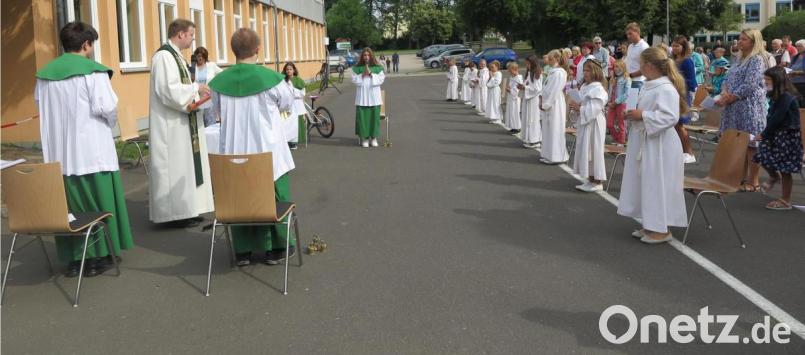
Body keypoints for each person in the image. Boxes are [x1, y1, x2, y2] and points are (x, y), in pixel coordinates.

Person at [34, 21, 133, 277]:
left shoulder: (45, 75)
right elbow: (108, 108)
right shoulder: (93, 72)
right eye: (92, 45)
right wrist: (110, 124)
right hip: (92, 152)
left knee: (70, 209)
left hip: (60, 155)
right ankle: (97, 258)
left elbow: (41, 106)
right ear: (86, 44)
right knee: (98, 204)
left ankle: (75, 259)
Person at [209, 28, 296, 265]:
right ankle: (276, 248)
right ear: (258, 49)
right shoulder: (271, 80)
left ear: (233, 50)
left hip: (234, 154)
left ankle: (243, 251)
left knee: (240, 197)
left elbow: (214, 111)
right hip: (268, 153)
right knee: (276, 196)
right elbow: (287, 102)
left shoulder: (218, 82)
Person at [618, 47, 688, 244]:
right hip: (646, 140)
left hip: (660, 145)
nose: (639, 68)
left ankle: (661, 229)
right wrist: (633, 114)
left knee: (657, 184)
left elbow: (670, 117)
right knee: (647, 183)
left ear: (649, 66)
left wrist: (643, 115)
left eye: (640, 64)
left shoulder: (665, 88)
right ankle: (650, 223)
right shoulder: (649, 85)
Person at [148, 19, 213, 225]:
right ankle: (174, 214)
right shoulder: (164, 57)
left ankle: (188, 209)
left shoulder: (177, 56)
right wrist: (196, 89)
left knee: (186, 166)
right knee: (174, 167)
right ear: (181, 34)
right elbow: (168, 90)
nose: (193, 40)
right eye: (192, 35)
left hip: (183, 122)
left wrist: (197, 93)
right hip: (171, 125)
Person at [716, 29, 768, 192]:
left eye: (744, 39)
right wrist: (724, 92)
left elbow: (751, 84)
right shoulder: (738, 58)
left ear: (753, 42)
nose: (739, 41)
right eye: (740, 38)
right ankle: (740, 177)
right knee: (739, 144)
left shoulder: (756, 59)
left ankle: (753, 181)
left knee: (751, 144)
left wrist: (731, 97)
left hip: (749, 107)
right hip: (734, 107)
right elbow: (727, 78)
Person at [752, 66, 803, 210]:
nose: (765, 82)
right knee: (761, 156)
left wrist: (764, 133)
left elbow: (778, 117)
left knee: (785, 168)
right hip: (776, 134)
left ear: (778, 80)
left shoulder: (787, 96)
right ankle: (774, 176)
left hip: (787, 136)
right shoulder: (776, 95)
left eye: (768, 79)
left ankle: (785, 200)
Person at [569, 60, 609, 192]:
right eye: (584, 70)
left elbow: (593, 109)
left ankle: (598, 181)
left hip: (594, 123)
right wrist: (575, 108)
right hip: (586, 122)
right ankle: (590, 179)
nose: (585, 73)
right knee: (587, 150)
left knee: (594, 149)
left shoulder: (598, 89)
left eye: (588, 70)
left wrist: (579, 107)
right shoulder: (586, 87)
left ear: (595, 72)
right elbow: (584, 105)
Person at [671, 36, 698, 164]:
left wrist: (677, 81)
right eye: (673, 45)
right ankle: (681, 151)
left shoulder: (687, 61)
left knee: (680, 125)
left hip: (682, 96)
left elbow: (692, 83)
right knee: (674, 125)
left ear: (683, 47)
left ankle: (689, 152)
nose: (675, 48)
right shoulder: (673, 60)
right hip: (672, 95)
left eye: (678, 46)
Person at [351, 48, 385, 148]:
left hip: (374, 98)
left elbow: (381, 80)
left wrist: (370, 74)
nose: (366, 57)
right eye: (365, 55)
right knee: (363, 119)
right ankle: (364, 138)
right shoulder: (357, 68)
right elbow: (354, 80)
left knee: (374, 119)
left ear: (371, 56)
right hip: (362, 98)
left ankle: (373, 138)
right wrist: (362, 74)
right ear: (362, 56)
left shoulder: (378, 67)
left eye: (368, 55)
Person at [539, 50, 569, 164]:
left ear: (557, 59)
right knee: (548, 128)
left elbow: (554, 90)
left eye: (551, 59)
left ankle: (557, 156)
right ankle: (548, 154)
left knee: (555, 128)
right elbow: (546, 87)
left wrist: (546, 103)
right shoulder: (553, 72)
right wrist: (543, 100)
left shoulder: (559, 73)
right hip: (549, 102)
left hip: (555, 103)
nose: (549, 61)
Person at [192, 47, 223, 127]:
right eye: (198, 56)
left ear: (205, 57)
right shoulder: (192, 68)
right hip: (198, 100)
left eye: (202, 56)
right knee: (199, 124)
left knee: (210, 123)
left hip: (209, 98)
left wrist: (215, 86)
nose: (200, 58)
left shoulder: (211, 66)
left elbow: (222, 75)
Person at [279, 62, 304, 150]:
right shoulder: (282, 80)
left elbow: (302, 93)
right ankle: (286, 141)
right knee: (285, 122)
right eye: (287, 69)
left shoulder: (298, 80)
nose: (288, 71)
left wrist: (293, 93)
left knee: (293, 124)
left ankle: (293, 143)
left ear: (293, 70)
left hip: (295, 105)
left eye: (290, 69)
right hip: (285, 105)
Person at [520, 55, 543, 148]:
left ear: (533, 63)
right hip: (528, 98)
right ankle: (529, 138)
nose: (526, 65)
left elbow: (537, 88)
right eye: (526, 64)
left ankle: (535, 140)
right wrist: (522, 86)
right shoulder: (529, 73)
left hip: (533, 99)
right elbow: (527, 83)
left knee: (533, 119)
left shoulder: (537, 73)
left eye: (528, 63)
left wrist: (525, 87)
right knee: (528, 118)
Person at [607, 59, 630, 144]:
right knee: (609, 124)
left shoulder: (626, 79)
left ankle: (621, 141)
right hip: (611, 103)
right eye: (614, 67)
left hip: (621, 103)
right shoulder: (613, 78)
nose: (615, 68)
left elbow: (626, 94)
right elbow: (610, 91)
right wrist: (609, 101)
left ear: (622, 67)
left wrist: (616, 102)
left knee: (621, 124)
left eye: (617, 66)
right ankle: (617, 138)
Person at [625, 22, 650, 89]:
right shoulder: (630, 46)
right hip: (629, 80)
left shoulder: (644, 46)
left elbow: (646, 67)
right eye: (627, 34)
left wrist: (631, 75)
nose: (628, 36)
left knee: (636, 100)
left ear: (637, 32)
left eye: (630, 34)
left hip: (638, 82)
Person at [504, 62, 523, 133]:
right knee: (511, 112)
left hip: (515, 98)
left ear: (515, 69)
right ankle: (512, 126)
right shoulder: (512, 77)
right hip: (510, 97)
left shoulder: (518, 78)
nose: (509, 72)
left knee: (515, 112)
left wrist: (510, 90)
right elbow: (511, 85)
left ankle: (517, 127)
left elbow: (517, 89)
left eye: (510, 70)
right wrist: (508, 88)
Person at [788, 39, 805, 105]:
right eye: (797, 46)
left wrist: (796, 73)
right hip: (793, 83)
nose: (798, 48)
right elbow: (789, 68)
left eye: (800, 46)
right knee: (795, 103)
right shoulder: (795, 57)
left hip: (803, 83)